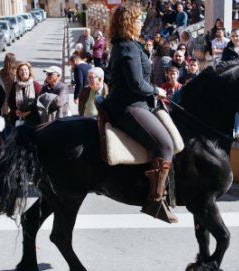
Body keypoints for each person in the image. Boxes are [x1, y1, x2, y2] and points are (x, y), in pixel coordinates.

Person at [104, 4, 177, 223]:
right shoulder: (126, 47)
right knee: (165, 145)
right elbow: (136, 84)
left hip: (138, 103)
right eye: (138, 20)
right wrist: (157, 90)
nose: (141, 23)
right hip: (129, 106)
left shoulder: (128, 45)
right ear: (128, 23)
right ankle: (155, 201)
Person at [8, 61, 42, 127]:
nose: (23, 72)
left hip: (33, 118)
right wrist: (15, 110)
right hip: (17, 117)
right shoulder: (15, 85)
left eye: (25, 70)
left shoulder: (36, 85)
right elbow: (10, 101)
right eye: (21, 70)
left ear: (29, 71)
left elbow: (39, 102)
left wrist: (29, 112)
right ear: (18, 73)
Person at [0, 53, 16, 118]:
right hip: (13, 95)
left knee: (5, 115)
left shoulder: (1, 72)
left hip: (4, 96)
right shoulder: (16, 72)